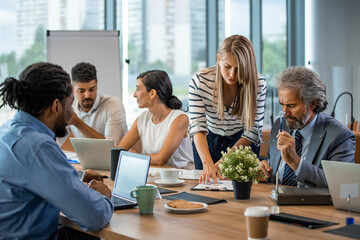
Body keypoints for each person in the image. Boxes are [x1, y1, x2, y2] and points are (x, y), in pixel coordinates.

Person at [0, 63, 113, 239]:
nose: (71, 113)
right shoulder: (38, 146)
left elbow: (28, 179)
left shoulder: (7, 131)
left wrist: (76, 179)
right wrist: (104, 196)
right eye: (70, 104)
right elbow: (94, 217)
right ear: (56, 106)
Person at [260, 66, 355, 188]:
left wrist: (295, 161)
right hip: (274, 202)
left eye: (291, 106)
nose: (284, 112)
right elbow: (271, 164)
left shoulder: (340, 136)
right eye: (282, 105)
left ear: (313, 103)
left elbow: (338, 185)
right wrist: (265, 168)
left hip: (312, 206)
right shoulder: (280, 124)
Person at [189, 35, 266, 184]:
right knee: (207, 189)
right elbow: (197, 126)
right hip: (208, 142)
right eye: (227, 67)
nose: (232, 74)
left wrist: (224, 161)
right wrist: (208, 163)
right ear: (219, 59)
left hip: (243, 143)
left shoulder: (258, 83)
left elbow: (253, 131)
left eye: (239, 69)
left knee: (243, 194)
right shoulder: (200, 81)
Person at [117, 70, 193, 169]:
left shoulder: (179, 118)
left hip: (183, 178)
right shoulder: (142, 119)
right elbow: (117, 152)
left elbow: (161, 159)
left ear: (152, 93)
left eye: (138, 89)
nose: (134, 94)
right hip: (154, 177)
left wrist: (133, 157)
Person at [67, 62, 127, 145]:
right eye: (81, 91)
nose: (87, 95)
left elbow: (111, 146)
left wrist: (78, 123)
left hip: (112, 158)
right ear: (73, 89)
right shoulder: (70, 106)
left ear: (97, 85)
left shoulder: (113, 104)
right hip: (84, 157)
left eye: (92, 90)